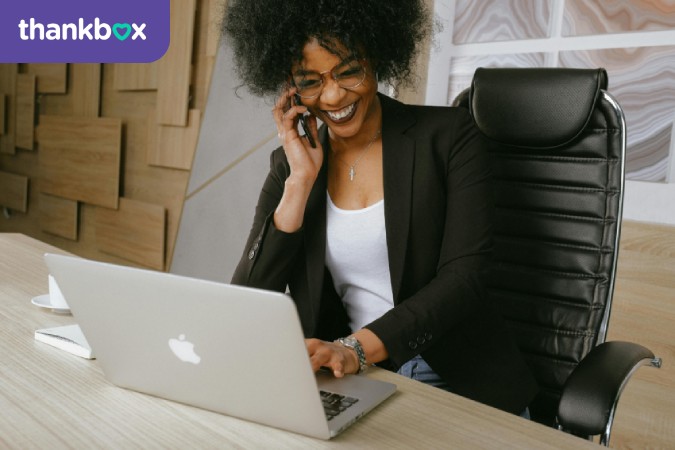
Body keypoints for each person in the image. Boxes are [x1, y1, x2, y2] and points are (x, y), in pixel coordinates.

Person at [224, 0, 538, 416]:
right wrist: (299, 182)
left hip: (454, 375)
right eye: (311, 81)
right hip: (350, 380)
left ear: (377, 56)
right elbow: (250, 297)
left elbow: (465, 277)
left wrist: (356, 349)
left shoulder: (448, 138)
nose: (333, 96)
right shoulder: (291, 164)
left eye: (349, 71)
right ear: (290, 86)